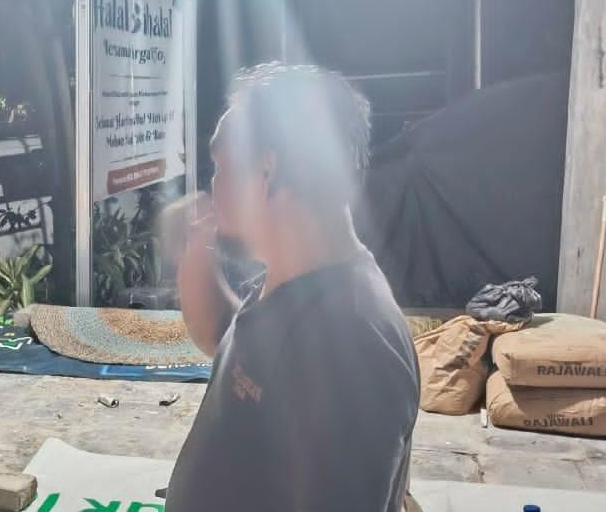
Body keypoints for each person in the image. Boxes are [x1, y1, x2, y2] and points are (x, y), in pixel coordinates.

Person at [167, 63, 418, 512]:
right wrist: (198, 250)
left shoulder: (351, 345)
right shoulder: (293, 280)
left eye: (221, 167)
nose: (211, 187)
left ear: (267, 169)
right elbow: (231, 342)